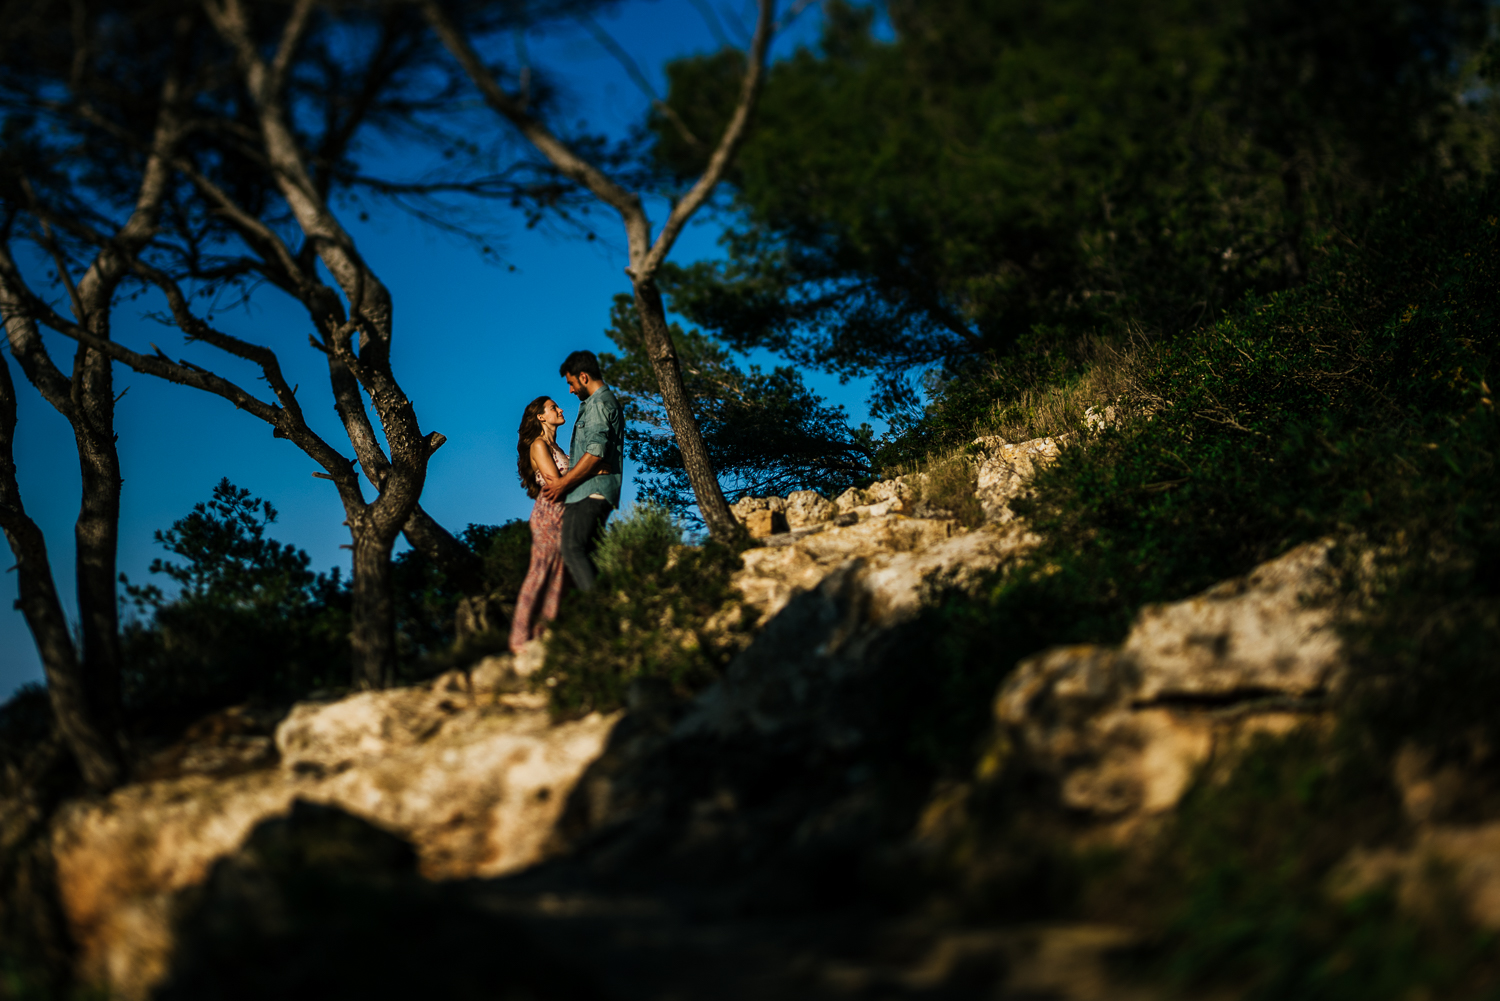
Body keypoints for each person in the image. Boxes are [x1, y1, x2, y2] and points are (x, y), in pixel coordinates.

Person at [543, 350, 624, 592]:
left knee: (572, 549)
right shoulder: (598, 403)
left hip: (590, 493)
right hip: (591, 490)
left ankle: (601, 615)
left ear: (584, 377)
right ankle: (613, 607)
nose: (570, 390)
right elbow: (595, 456)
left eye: (571, 383)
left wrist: (563, 483)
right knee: (590, 554)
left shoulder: (598, 404)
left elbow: (595, 453)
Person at [509, 396, 570, 653]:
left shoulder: (557, 447)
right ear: (541, 417)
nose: (560, 409)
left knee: (559, 575)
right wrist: (589, 470)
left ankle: (545, 634)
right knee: (541, 572)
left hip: (565, 514)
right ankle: (520, 640)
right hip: (549, 514)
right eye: (553, 407)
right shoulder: (538, 445)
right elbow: (554, 481)